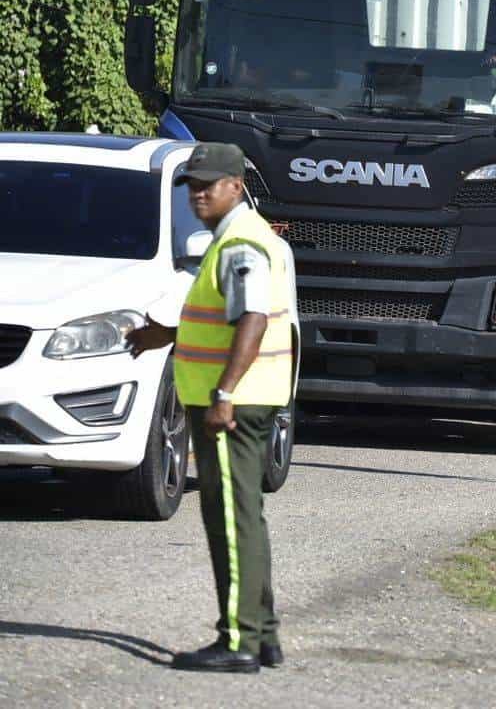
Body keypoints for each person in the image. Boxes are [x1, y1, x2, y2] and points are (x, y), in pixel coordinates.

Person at [129, 142, 296, 674]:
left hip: (234, 404)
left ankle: (239, 641)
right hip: (245, 398)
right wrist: (165, 333)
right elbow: (227, 316)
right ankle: (263, 634)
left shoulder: (241, 245)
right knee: (245, 517)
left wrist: (224, 393)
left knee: (230, 519)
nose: (198, 194)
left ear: (237, 186)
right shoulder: (237, 239)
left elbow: (251, 320)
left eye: (209, 184)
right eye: (192, 186)